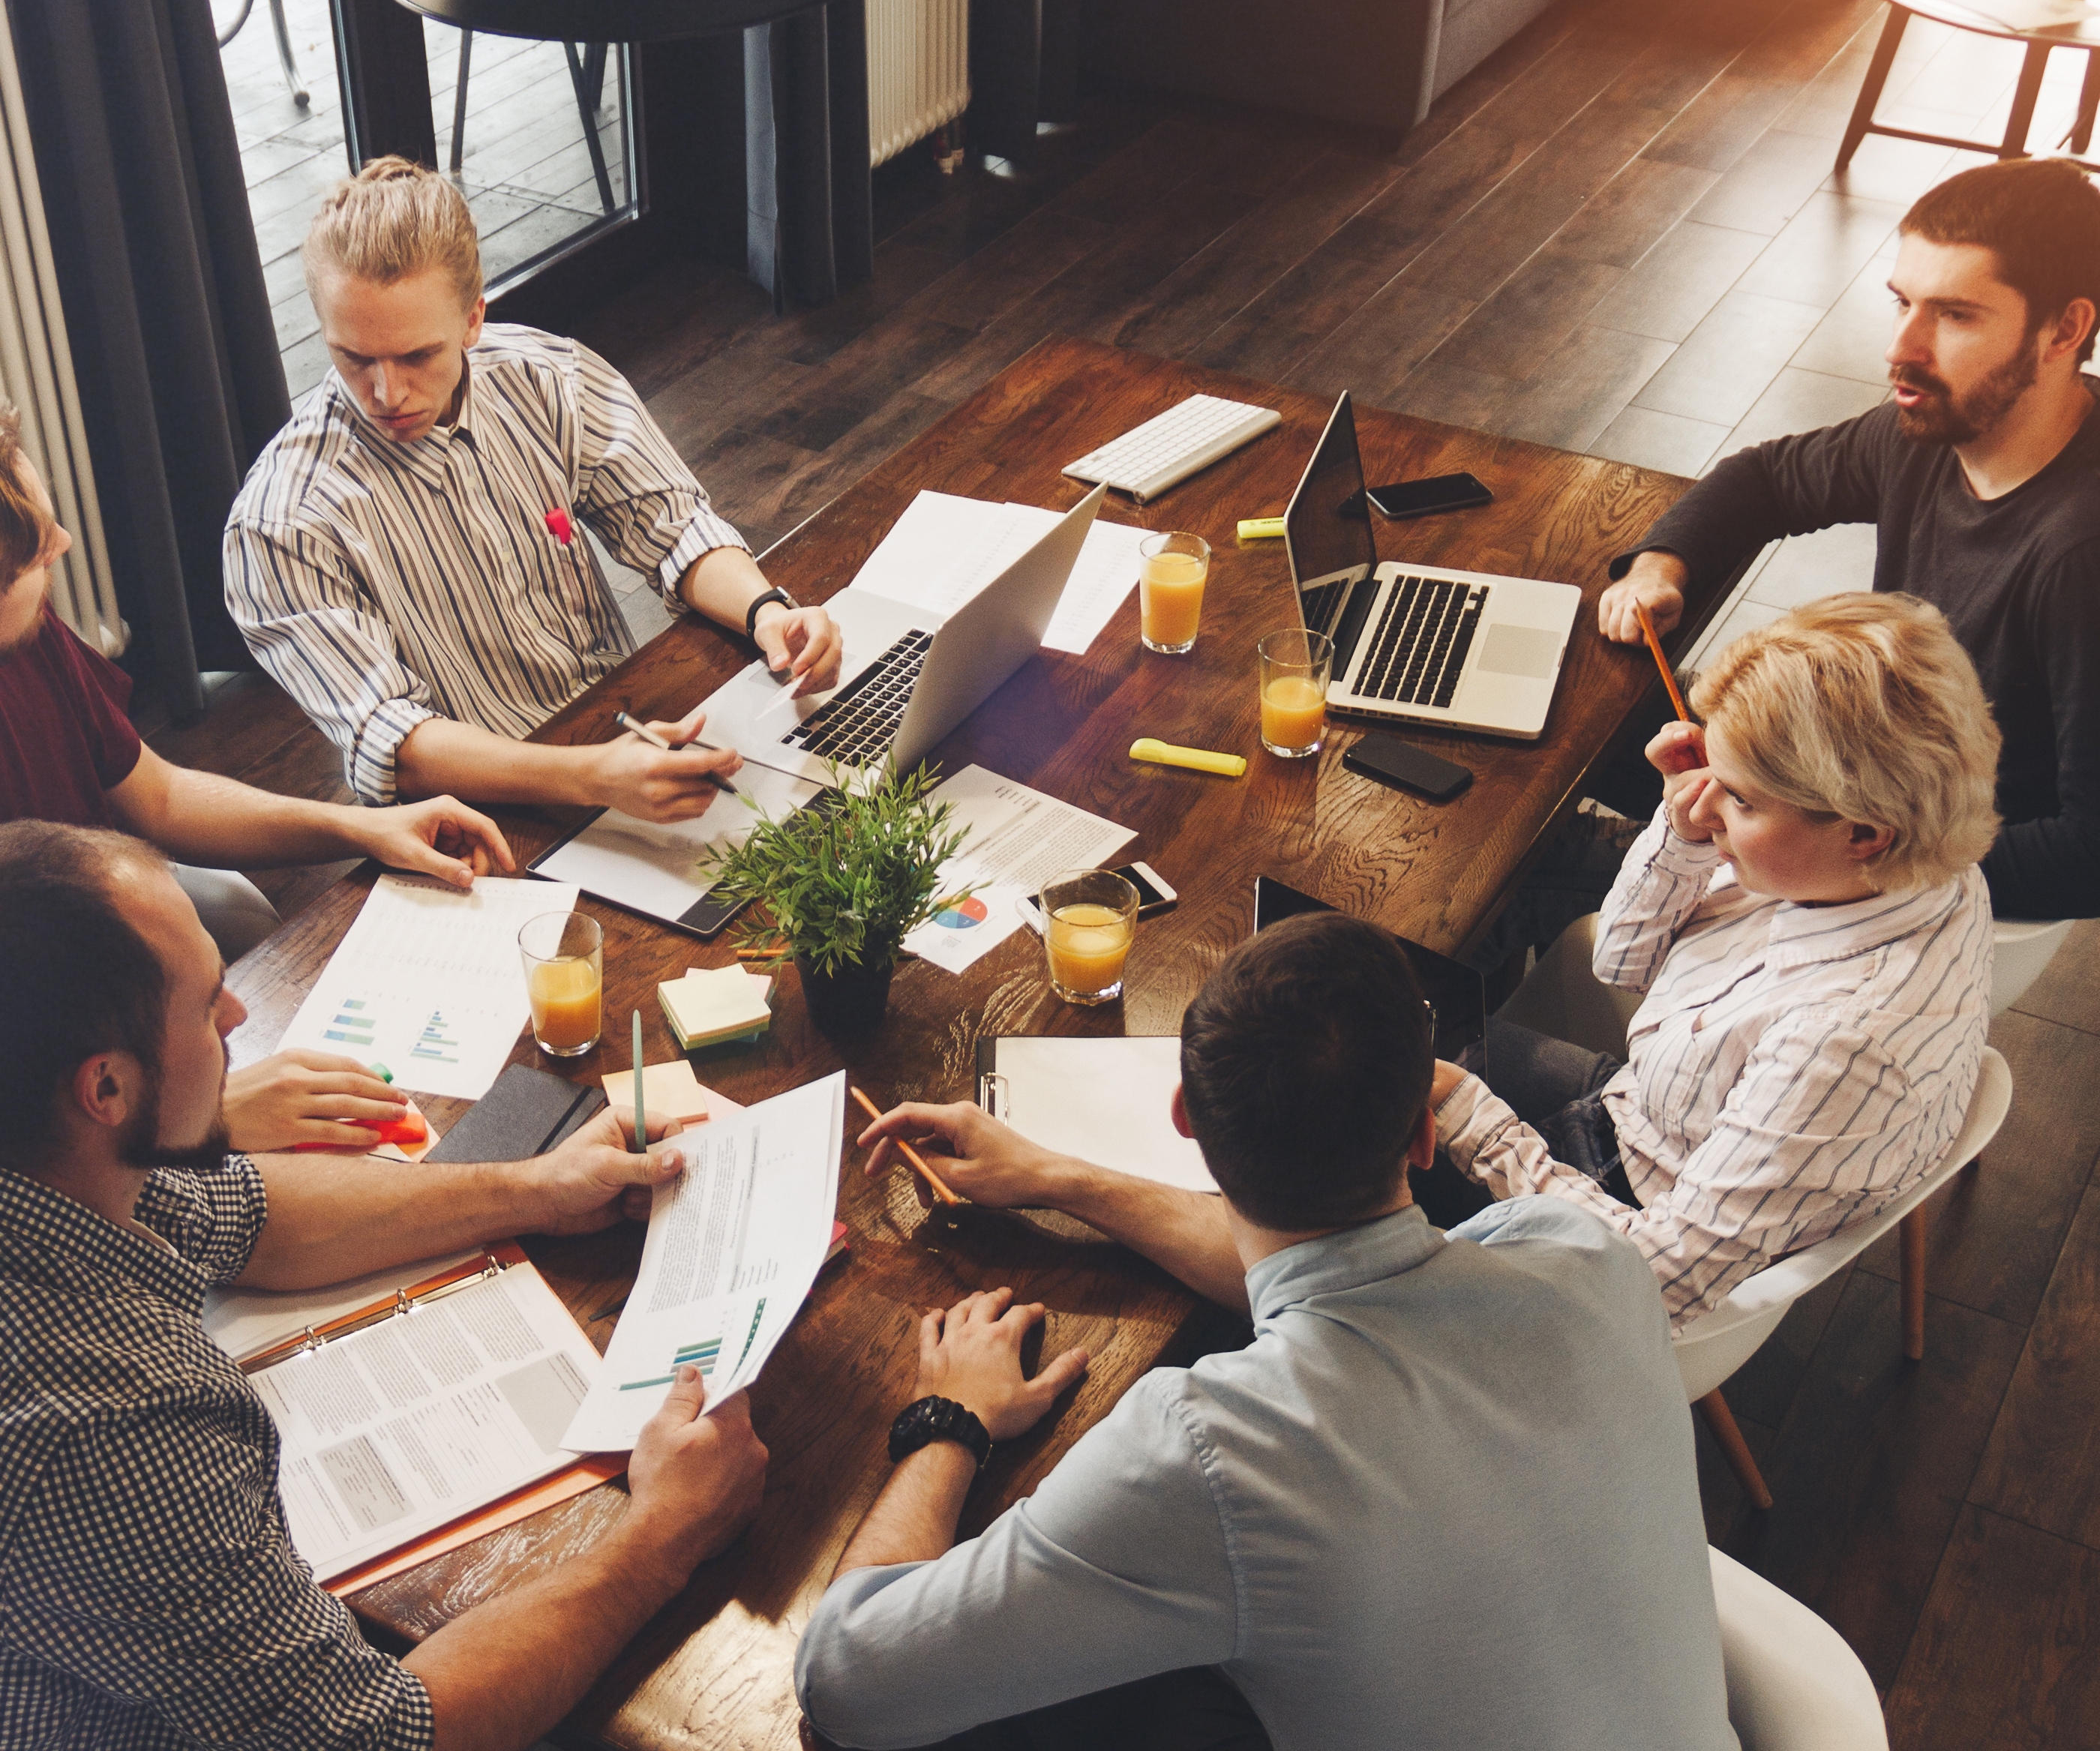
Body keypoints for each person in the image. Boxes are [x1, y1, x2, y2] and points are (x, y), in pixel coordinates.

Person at [802, 913, 1735, 1751]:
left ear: (1185, 1123)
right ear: (1420, 1133)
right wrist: (1059, 1175)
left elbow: (846, 1680)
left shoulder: (1210, 1454)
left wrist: (948, 1415)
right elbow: (1345, 1273)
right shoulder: (1584, 1255)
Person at [0, 817, 769, 1751]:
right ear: (106, 1090)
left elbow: (243, 1213)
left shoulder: (51, 1159)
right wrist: (661, 1541)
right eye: (208, 1005)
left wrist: (533, 1188)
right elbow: (383, 1737)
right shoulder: (109, 1429)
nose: (240, 1019)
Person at [1432, 593, 1996, 1327]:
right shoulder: (1920, 865)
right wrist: (1684, 834)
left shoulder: (1839, 1047)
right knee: (1388, 1026)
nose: (1707, 804)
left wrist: (1468, 1118)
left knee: (1339, 1093)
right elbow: (1622, 959)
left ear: (1865, 833)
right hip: (1654, 1114)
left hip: (1628, 1211)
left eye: (1739, 798)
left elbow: (1657, 1282)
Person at [223, 157, 842, 823]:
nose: (387, 392)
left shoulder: (548, 378)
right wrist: (592, 776)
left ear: (472, 320)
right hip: (477, 820)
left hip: (622, 746)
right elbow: (391, 741)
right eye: (354, 358)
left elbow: (672, 527)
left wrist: (766, 613)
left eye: (417, 356)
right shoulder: (279, 528)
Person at [1600, 154, 2100, 925]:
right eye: (1902, 302)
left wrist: (1833, 854)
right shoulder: (1936, 427)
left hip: (1930, 881)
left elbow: (2085, 855)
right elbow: (1767, 479)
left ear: (2064, 328)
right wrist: (1657, 568)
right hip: (1844, 785)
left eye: (1955, 315)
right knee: (1592, 721)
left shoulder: (2078, 556)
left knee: (1548, 886)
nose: (1903, 348)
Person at [0, 400, 510, 1153]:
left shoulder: (31, 636)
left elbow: (158, 793)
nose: (65, 546)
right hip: (55, 1065)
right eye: (27, 563)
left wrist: (356, 824)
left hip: (95, 971)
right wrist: (203, 1116)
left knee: (238, 912)